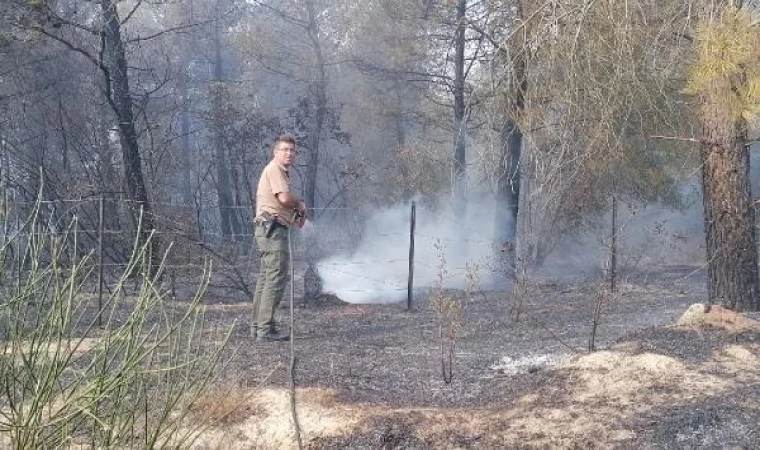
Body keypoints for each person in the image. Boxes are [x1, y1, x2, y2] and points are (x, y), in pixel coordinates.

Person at [251, 134, 307, 341]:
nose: (289, 154)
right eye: (285, 149)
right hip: (272, 230)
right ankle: (264, 330)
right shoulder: (275, 169)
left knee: (267, 279)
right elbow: (284, 198)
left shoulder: (281, 172)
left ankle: (259, 326)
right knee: (275, 279)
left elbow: (280, 202)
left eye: (292, 150)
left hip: (269, 229)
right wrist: (300, 204)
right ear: (276, 152)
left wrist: (296, 216)